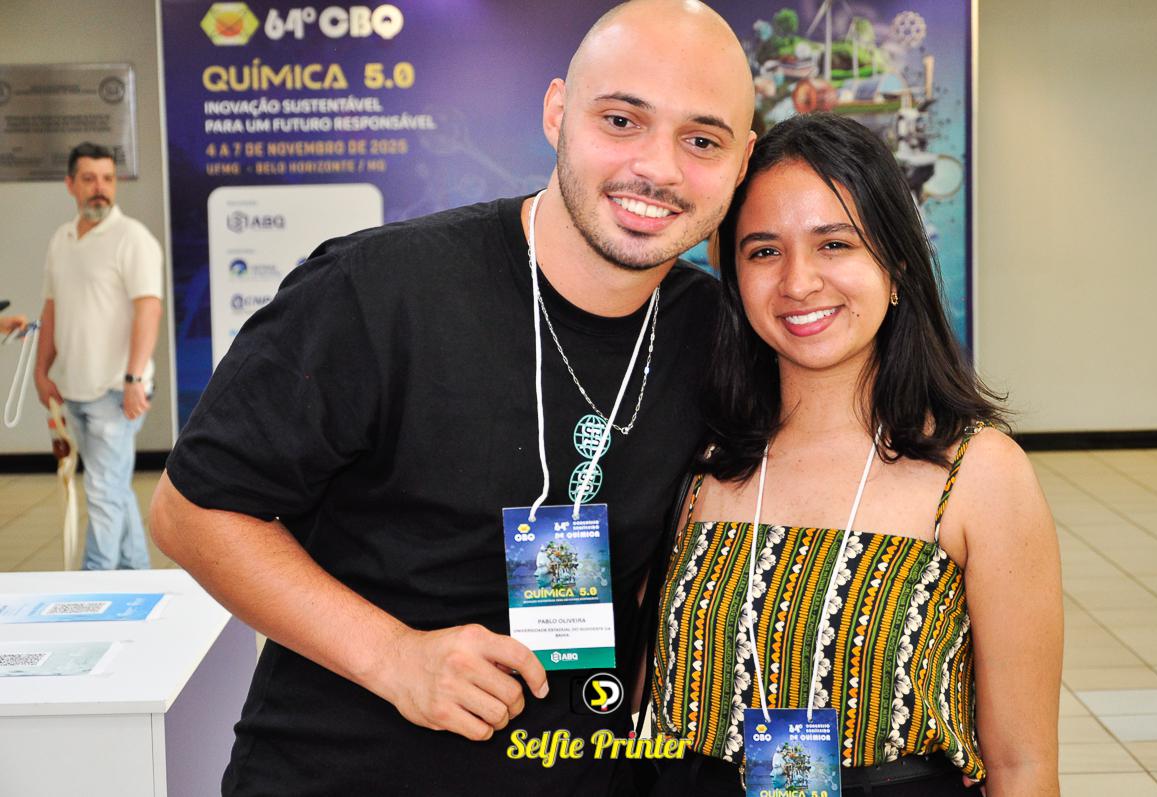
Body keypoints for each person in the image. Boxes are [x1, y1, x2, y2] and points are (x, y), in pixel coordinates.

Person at [148, 2, 756, 795]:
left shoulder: (714, 334)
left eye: (702, 141)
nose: (659, 168)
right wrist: (394, 655)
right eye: (621, 120)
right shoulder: (379, 290)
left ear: (742, 160)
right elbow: (190, 512)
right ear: (557, 113)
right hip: (341, 771)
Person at [649, 113, 1062, 796]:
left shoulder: (977, 473)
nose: (799, 282)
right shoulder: (701, 460)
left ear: (896, 264)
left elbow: (1023, 765)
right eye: (763, 251)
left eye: (834, 244)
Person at [35, 141, 163, 570]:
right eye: (89, 179)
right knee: (114, 489)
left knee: (103, 492)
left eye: (108, 179)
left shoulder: (133, 239)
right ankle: (137, 576)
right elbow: (51, 311)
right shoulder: (62, 239)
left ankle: (93, 583)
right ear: (70, 184)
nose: (100, 188)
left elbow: (149, 309)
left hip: (116, 391)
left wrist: (133, 379)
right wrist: (41, 372)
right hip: (74, 390)